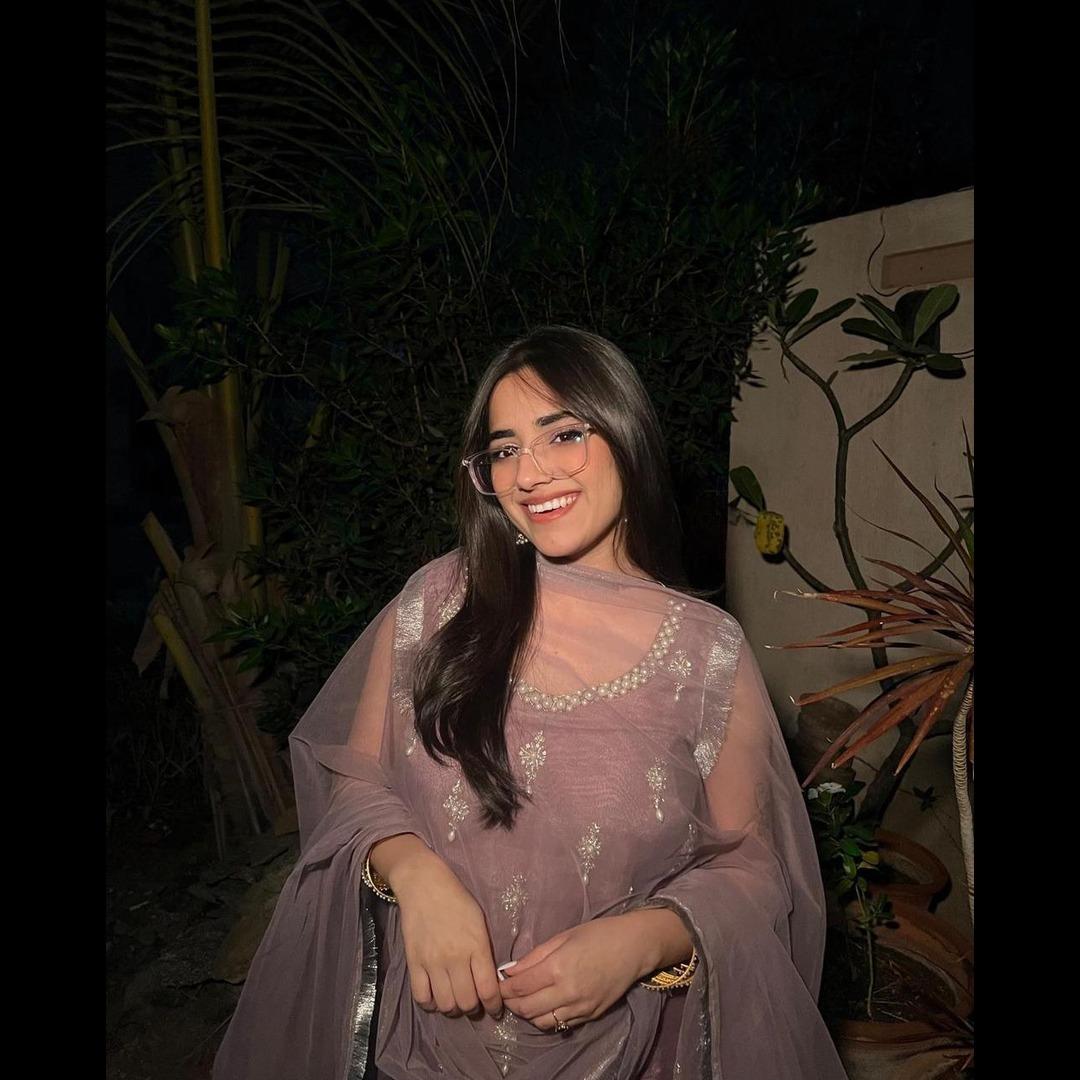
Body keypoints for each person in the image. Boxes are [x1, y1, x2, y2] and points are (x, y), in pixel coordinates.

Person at [213, 326, 849, 1079]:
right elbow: (356, 779)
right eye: (504, 449)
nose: (530, 473)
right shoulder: (439, 603)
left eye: (565, 434)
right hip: (420, 1050)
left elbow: (753, 868)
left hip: (624, 1054)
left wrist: (641, 941)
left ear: (626, 434)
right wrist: (414, 872)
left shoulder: (705, 652)